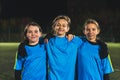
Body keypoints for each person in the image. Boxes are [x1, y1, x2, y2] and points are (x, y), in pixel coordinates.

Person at [46, 15, 82, 80]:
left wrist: (74, 36)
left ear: (68, 29)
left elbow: (87, 40)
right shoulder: (48, 42)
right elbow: (34, 40)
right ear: (54, 27)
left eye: (64, 25)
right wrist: (47, 36)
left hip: (69, 78)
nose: (61, 27)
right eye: (58, 25)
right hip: (53, 78)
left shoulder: (74, 41)